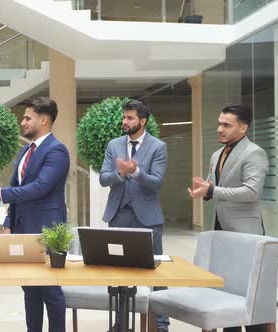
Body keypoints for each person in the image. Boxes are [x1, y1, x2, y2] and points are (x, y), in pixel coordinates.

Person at [0, 97, 69, 332]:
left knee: (51, 290)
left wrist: (0, 193)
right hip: (22, 228)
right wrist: (8, 222)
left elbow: (39, 188)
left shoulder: (57, 151)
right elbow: (17, 188)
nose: (22, 122)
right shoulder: (24, 152)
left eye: (27, 118)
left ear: (43, 120)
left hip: (47, 230)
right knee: (30, 288)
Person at [189, 104, 269, 332]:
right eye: (219, 123)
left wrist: (213, 191)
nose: (220, 129)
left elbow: (252, 192)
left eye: (226, 125)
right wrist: (204, 191)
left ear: (243, 128)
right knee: (225, 295)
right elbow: (212, 186)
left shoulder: (255, 153)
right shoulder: (217, 154)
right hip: (221, 233)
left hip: (246, 235)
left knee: (250, 299)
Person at [99, 99, 169, 332]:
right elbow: (103, 178)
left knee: (157, 273)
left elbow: (156, 183)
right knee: (118, 272)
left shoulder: (158, 147)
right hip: (118, 215)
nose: (125, 121)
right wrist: (120, 172)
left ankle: (160, 325)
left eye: (130, 118)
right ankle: (120, 322)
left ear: (142, 121)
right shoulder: (114, 145)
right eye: (124, 117)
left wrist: (136, 171)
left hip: (147, 218)